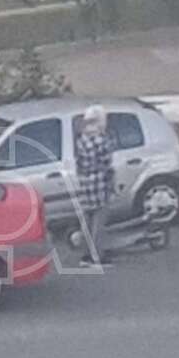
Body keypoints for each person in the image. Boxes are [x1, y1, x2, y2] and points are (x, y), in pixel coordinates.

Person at [76, 105, 115, 267]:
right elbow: (106, 161)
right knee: (99, 221)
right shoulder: (101, 140)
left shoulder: (81, 139)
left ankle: (85, 256)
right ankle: (97, 256)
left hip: (84, 183)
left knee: (87, 221)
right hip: (99, 183)